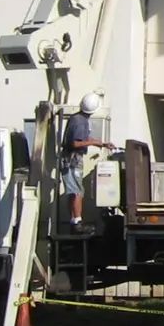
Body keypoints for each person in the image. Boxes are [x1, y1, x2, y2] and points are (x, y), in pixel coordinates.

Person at [62, 93, 115, 231]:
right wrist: (92, 142)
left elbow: (81, 138)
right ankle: (77, 223)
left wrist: (100, 143)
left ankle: (74, 220)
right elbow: (75, 143)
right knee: (77, 191)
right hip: (73, 160)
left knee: (74, 191)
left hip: (70, 159)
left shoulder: (77, 118)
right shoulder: (81, 121)